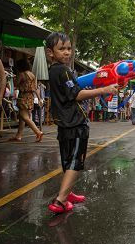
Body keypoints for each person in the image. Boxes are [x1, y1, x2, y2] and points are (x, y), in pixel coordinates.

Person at [46, 32, 118, 214]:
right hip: (75, 123)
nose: (67, 52)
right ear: (50, 52)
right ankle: (61, 200)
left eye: (69, 48)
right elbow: (76, 95)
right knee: (75, 162)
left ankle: (67, 192)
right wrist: (104, 89)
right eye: (61, 49)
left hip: (63, 123)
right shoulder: (63, 70)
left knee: (67, 159)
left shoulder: (54, 71)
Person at [8, 58, 44, 142]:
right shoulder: (32, 74)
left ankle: (38, 132)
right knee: (22, 117)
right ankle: (18, 135)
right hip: (31, 97)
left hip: (23, 96)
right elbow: (35, 88)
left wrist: (13, 78)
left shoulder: (22, 74)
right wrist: (39, 99)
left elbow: (16, 84)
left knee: (24, 116)